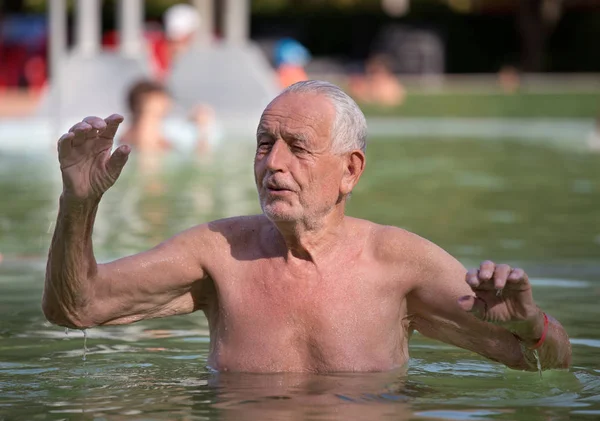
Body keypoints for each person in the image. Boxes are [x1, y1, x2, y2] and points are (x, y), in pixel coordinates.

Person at [43, 80, 571, 373]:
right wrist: (78, 204)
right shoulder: (218, 252)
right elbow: (76, 308)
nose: (273, 163)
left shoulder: (400, 263)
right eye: (264, 144)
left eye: (297, 147)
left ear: (350, 170)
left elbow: (547, 364)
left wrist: (528, 328)